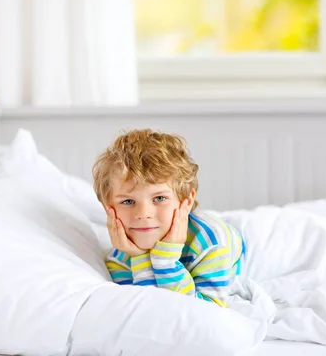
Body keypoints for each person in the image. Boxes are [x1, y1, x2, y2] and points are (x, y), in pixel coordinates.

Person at [92, 129, 244, 307]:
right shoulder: (119, 255)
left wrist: (166, 261)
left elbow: (204, 313)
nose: (143, 213)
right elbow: (150, 308)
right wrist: (139, 256)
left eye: (159, 198)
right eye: (127, 201)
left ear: (186, 200)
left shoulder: (212, 244)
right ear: (107, 207)